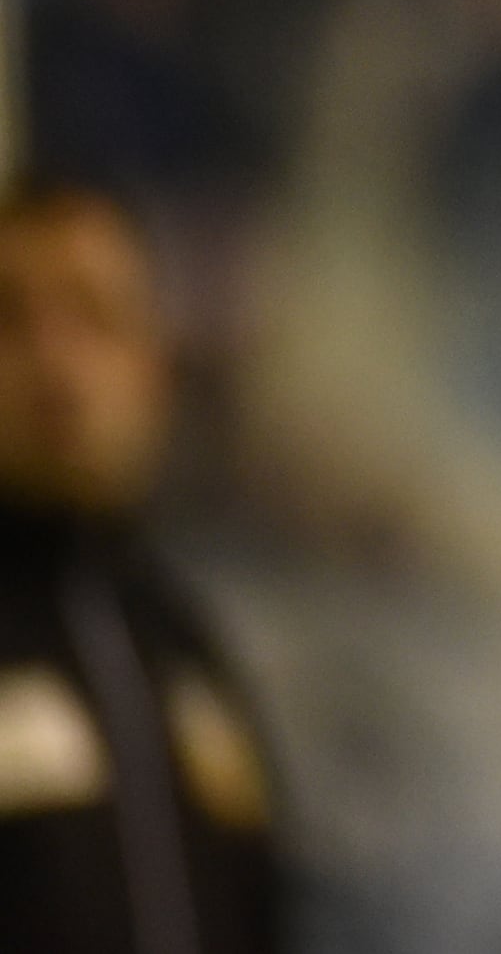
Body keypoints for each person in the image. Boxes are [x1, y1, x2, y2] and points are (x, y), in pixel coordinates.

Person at [0, 184, 290, 951]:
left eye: (93, 316)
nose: (56, 363)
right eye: (12, 320)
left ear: (152, 368)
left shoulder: (190, 653)